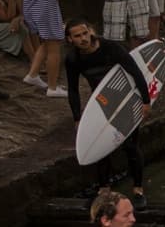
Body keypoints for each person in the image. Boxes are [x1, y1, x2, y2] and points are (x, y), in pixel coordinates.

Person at [65, 19, 151, 198]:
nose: (83, 39)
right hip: (102, 104)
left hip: (125, 100)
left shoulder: (111, 48)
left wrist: (145, 101)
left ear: (90, 32)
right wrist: (77, 118)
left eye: (85, 33)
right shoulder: (73, 59)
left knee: (130, 146)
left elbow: (135, 72)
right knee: (101, 145)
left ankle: (137, 189)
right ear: (69, 39)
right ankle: (104, 188)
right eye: (77, 36)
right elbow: (72, 89)